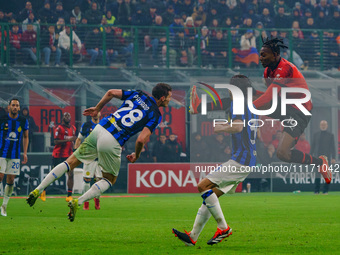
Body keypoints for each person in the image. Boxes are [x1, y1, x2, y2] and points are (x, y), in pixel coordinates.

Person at [27, 83, 172, 222]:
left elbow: (110, 93)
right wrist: (137, 154)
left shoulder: (138, 94)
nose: (170, 100)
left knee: (69, 162)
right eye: (169, 97)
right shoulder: (155, 114)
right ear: (162, 98)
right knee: (109, 179)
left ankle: (37, 190)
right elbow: (141, 140)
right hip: (113, 139)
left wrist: (97, 109)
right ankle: (78, 202)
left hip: (100, 128)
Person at [173, 75, 258, 246]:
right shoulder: (250, 105)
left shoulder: (239, 104)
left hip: (240, 160)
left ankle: (223, 227)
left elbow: (238, 126)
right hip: (247, 160)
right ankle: (193, 237)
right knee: (210, 197)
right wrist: (198, 108)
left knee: (202, 186)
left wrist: (220, 128)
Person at [254, 37, 331, 183]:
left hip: (300, 110)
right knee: (247, 94)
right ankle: (204, 105)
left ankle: (320, 163)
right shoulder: (267, 72)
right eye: (260, 54)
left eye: (264, 54)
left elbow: (268, 96)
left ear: (275, 55)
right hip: (285, 107)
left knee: (282, 153)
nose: (260, 57)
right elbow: (270, 97)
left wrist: (249, 107)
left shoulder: (285, 68)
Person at [0, 99, 29, 217]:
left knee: (11, 179)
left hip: (15, 155)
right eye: (13, 105)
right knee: (0, 176)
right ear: (9, 107)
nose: (15, 107)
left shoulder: (23, 120)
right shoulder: (2, 119)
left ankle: (4, 206)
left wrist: (25, 153)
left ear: (19, 107)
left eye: (17, 105)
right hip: (1, 153)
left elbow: (26, 137)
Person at [40, 112, 76, 202]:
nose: (68, 117)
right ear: (63, 118)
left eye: (69, 116)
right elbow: (55, 142)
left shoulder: (73, 128)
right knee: (53, 175)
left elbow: (73, 141)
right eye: (66, 116)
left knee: (71, 174)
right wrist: (68, 139)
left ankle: (69, 195)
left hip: (69, 155)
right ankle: (43, 191)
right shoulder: (59, 128)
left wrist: (74, 145)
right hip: (58, 155)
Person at [74, 113, 102, 210]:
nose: (95, 114)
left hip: (100, 157)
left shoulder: (103, 124)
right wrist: (76, 152)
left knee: (99, 180)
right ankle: (86, 202)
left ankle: (97, 199)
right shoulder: (86, 125)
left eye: (97, 112)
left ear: (100, 114)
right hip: (89, 157)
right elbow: (78, 139)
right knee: (87, 180)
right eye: (94, 113)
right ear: (91, 115)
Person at [311, 120, 336, 194]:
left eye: (324, 124)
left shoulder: (331, 135)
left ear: (327, 126)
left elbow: (333, 147)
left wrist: (333, 157)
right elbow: (313, 146)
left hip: (327, 159)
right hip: (317, 158)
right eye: (322, 124)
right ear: (320, 125)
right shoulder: (316, 135)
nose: (323, 126)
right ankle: (316, 191)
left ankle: (325, 191)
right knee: (317, 175)